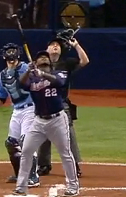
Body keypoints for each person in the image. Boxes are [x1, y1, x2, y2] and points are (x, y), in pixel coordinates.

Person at [13, 51, 79, 197]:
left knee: (65, 153)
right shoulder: (32, 78)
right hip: (38, 121)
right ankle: (22, 186)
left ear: (50, 62)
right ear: (36, 63)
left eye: (45, 57)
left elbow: (59, 82)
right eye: (40, 58)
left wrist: (42, 74)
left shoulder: (59, 73)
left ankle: (73, 186)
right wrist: (29, 71)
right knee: (26, 151)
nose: (43, 58)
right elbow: (20, 85)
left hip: (57, 120)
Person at [0, 43, 40, 188]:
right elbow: (1, 98)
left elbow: (36, 79)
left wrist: (34, 70)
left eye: (13, 53)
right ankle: (19, 174)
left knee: (26, 142)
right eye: (8, 53)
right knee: (11, 143)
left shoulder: (25, 68)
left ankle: (33, 176)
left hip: (31, 108)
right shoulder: (3, 75)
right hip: (17, 111)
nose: (11, 57)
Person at [37, 30, 89, 178]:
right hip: (44, 103)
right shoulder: (41, 63)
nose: (55, 47)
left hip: (62, 103)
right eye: (52, 45)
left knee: (68, 134)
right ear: (47, 49)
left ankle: (74, 164)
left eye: (57, 45)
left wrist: (77, 45)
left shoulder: (67, 63)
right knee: (43, 133)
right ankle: (43, 164)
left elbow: (85, 61)